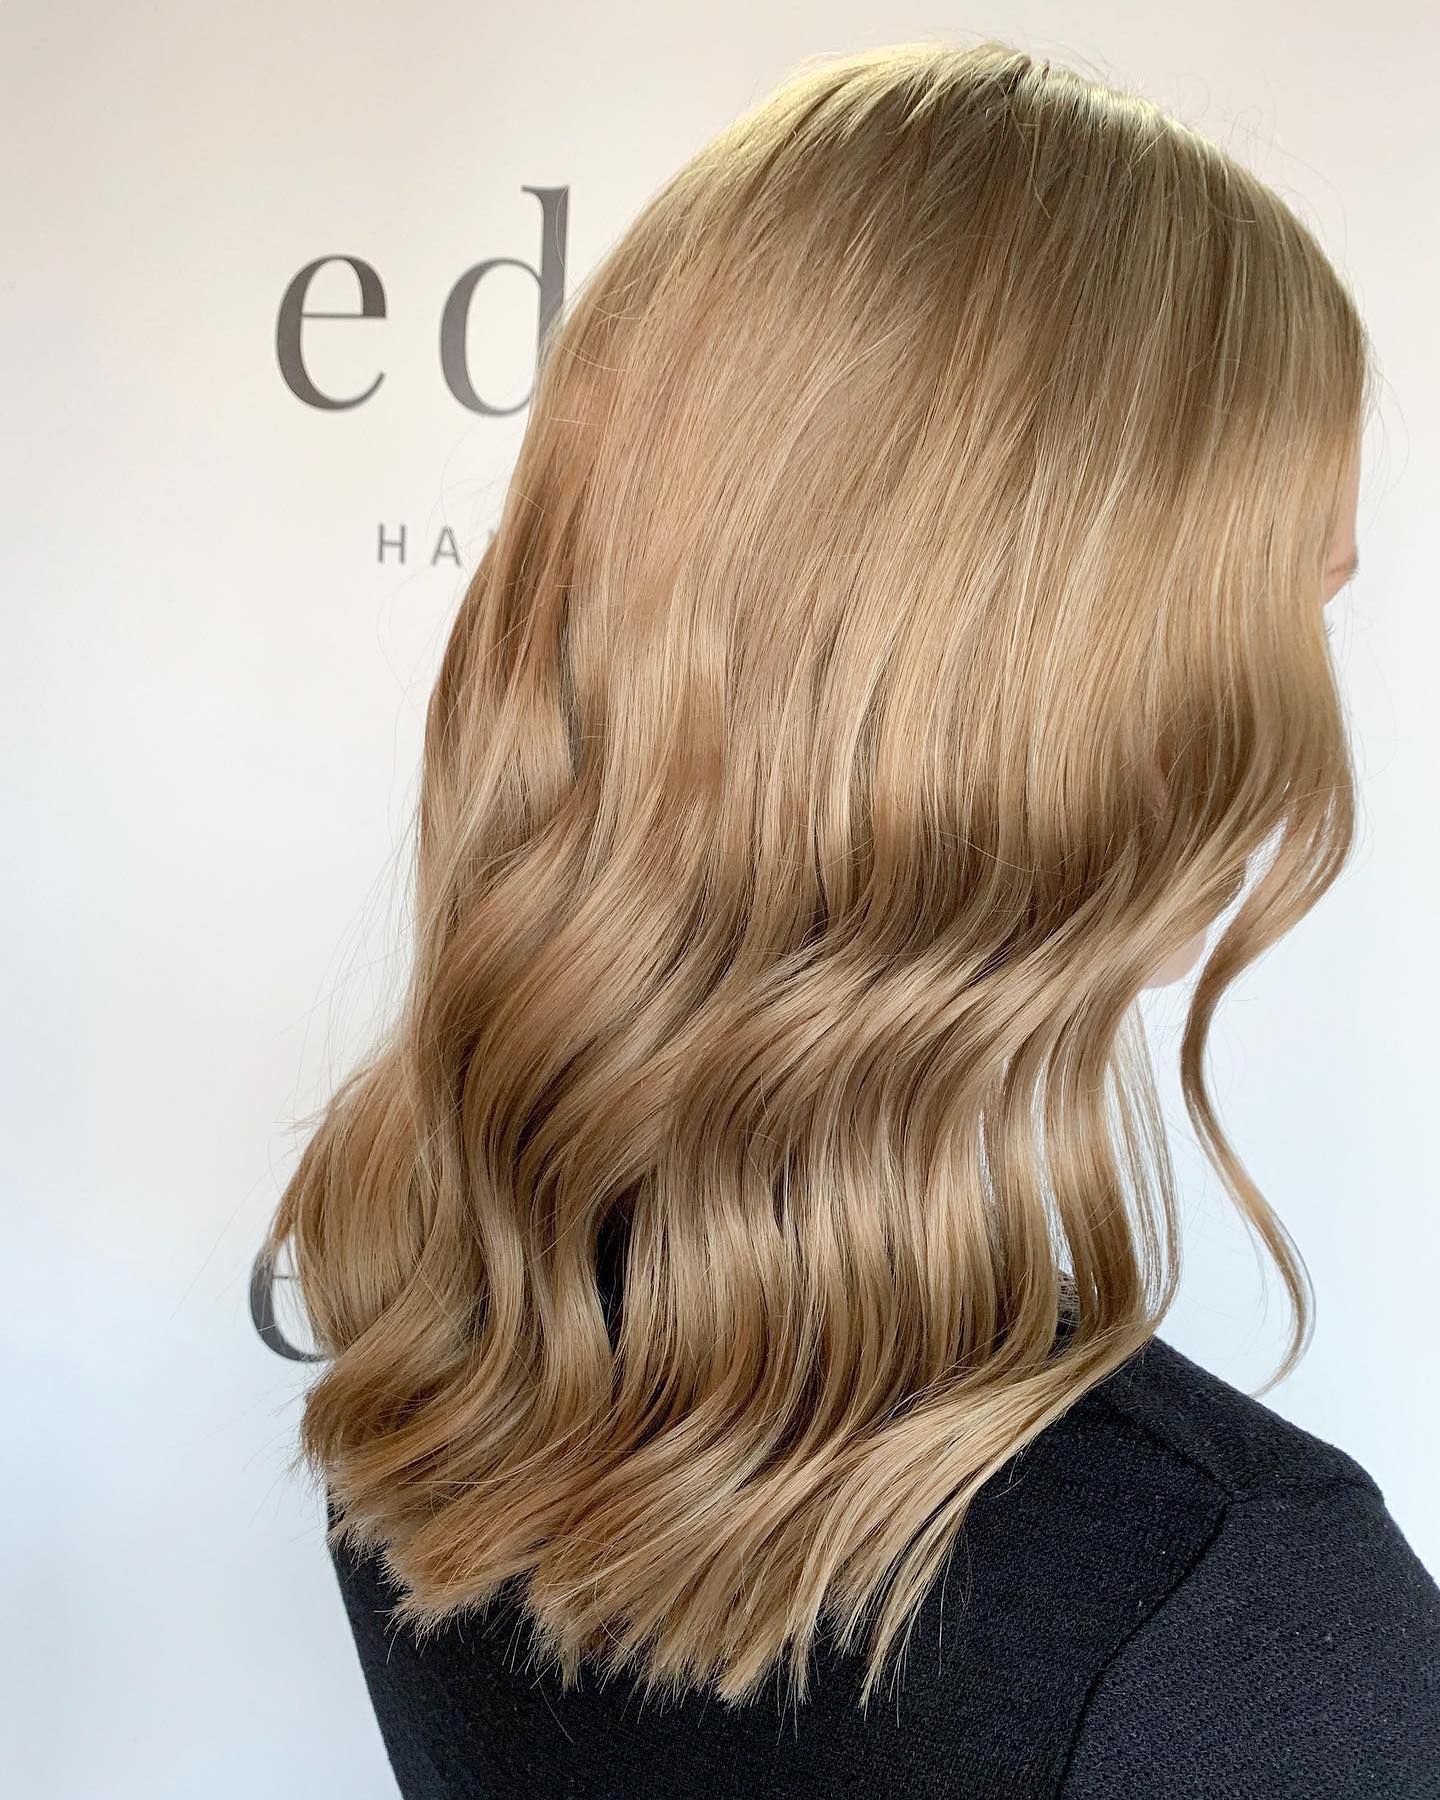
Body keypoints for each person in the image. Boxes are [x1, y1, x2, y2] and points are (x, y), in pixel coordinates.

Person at [262, 38, 1440, 1797]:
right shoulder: (1237, 1627)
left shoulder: (438, 1352)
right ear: (1029, 673)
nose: (1301, 734)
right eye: (1280, 610)